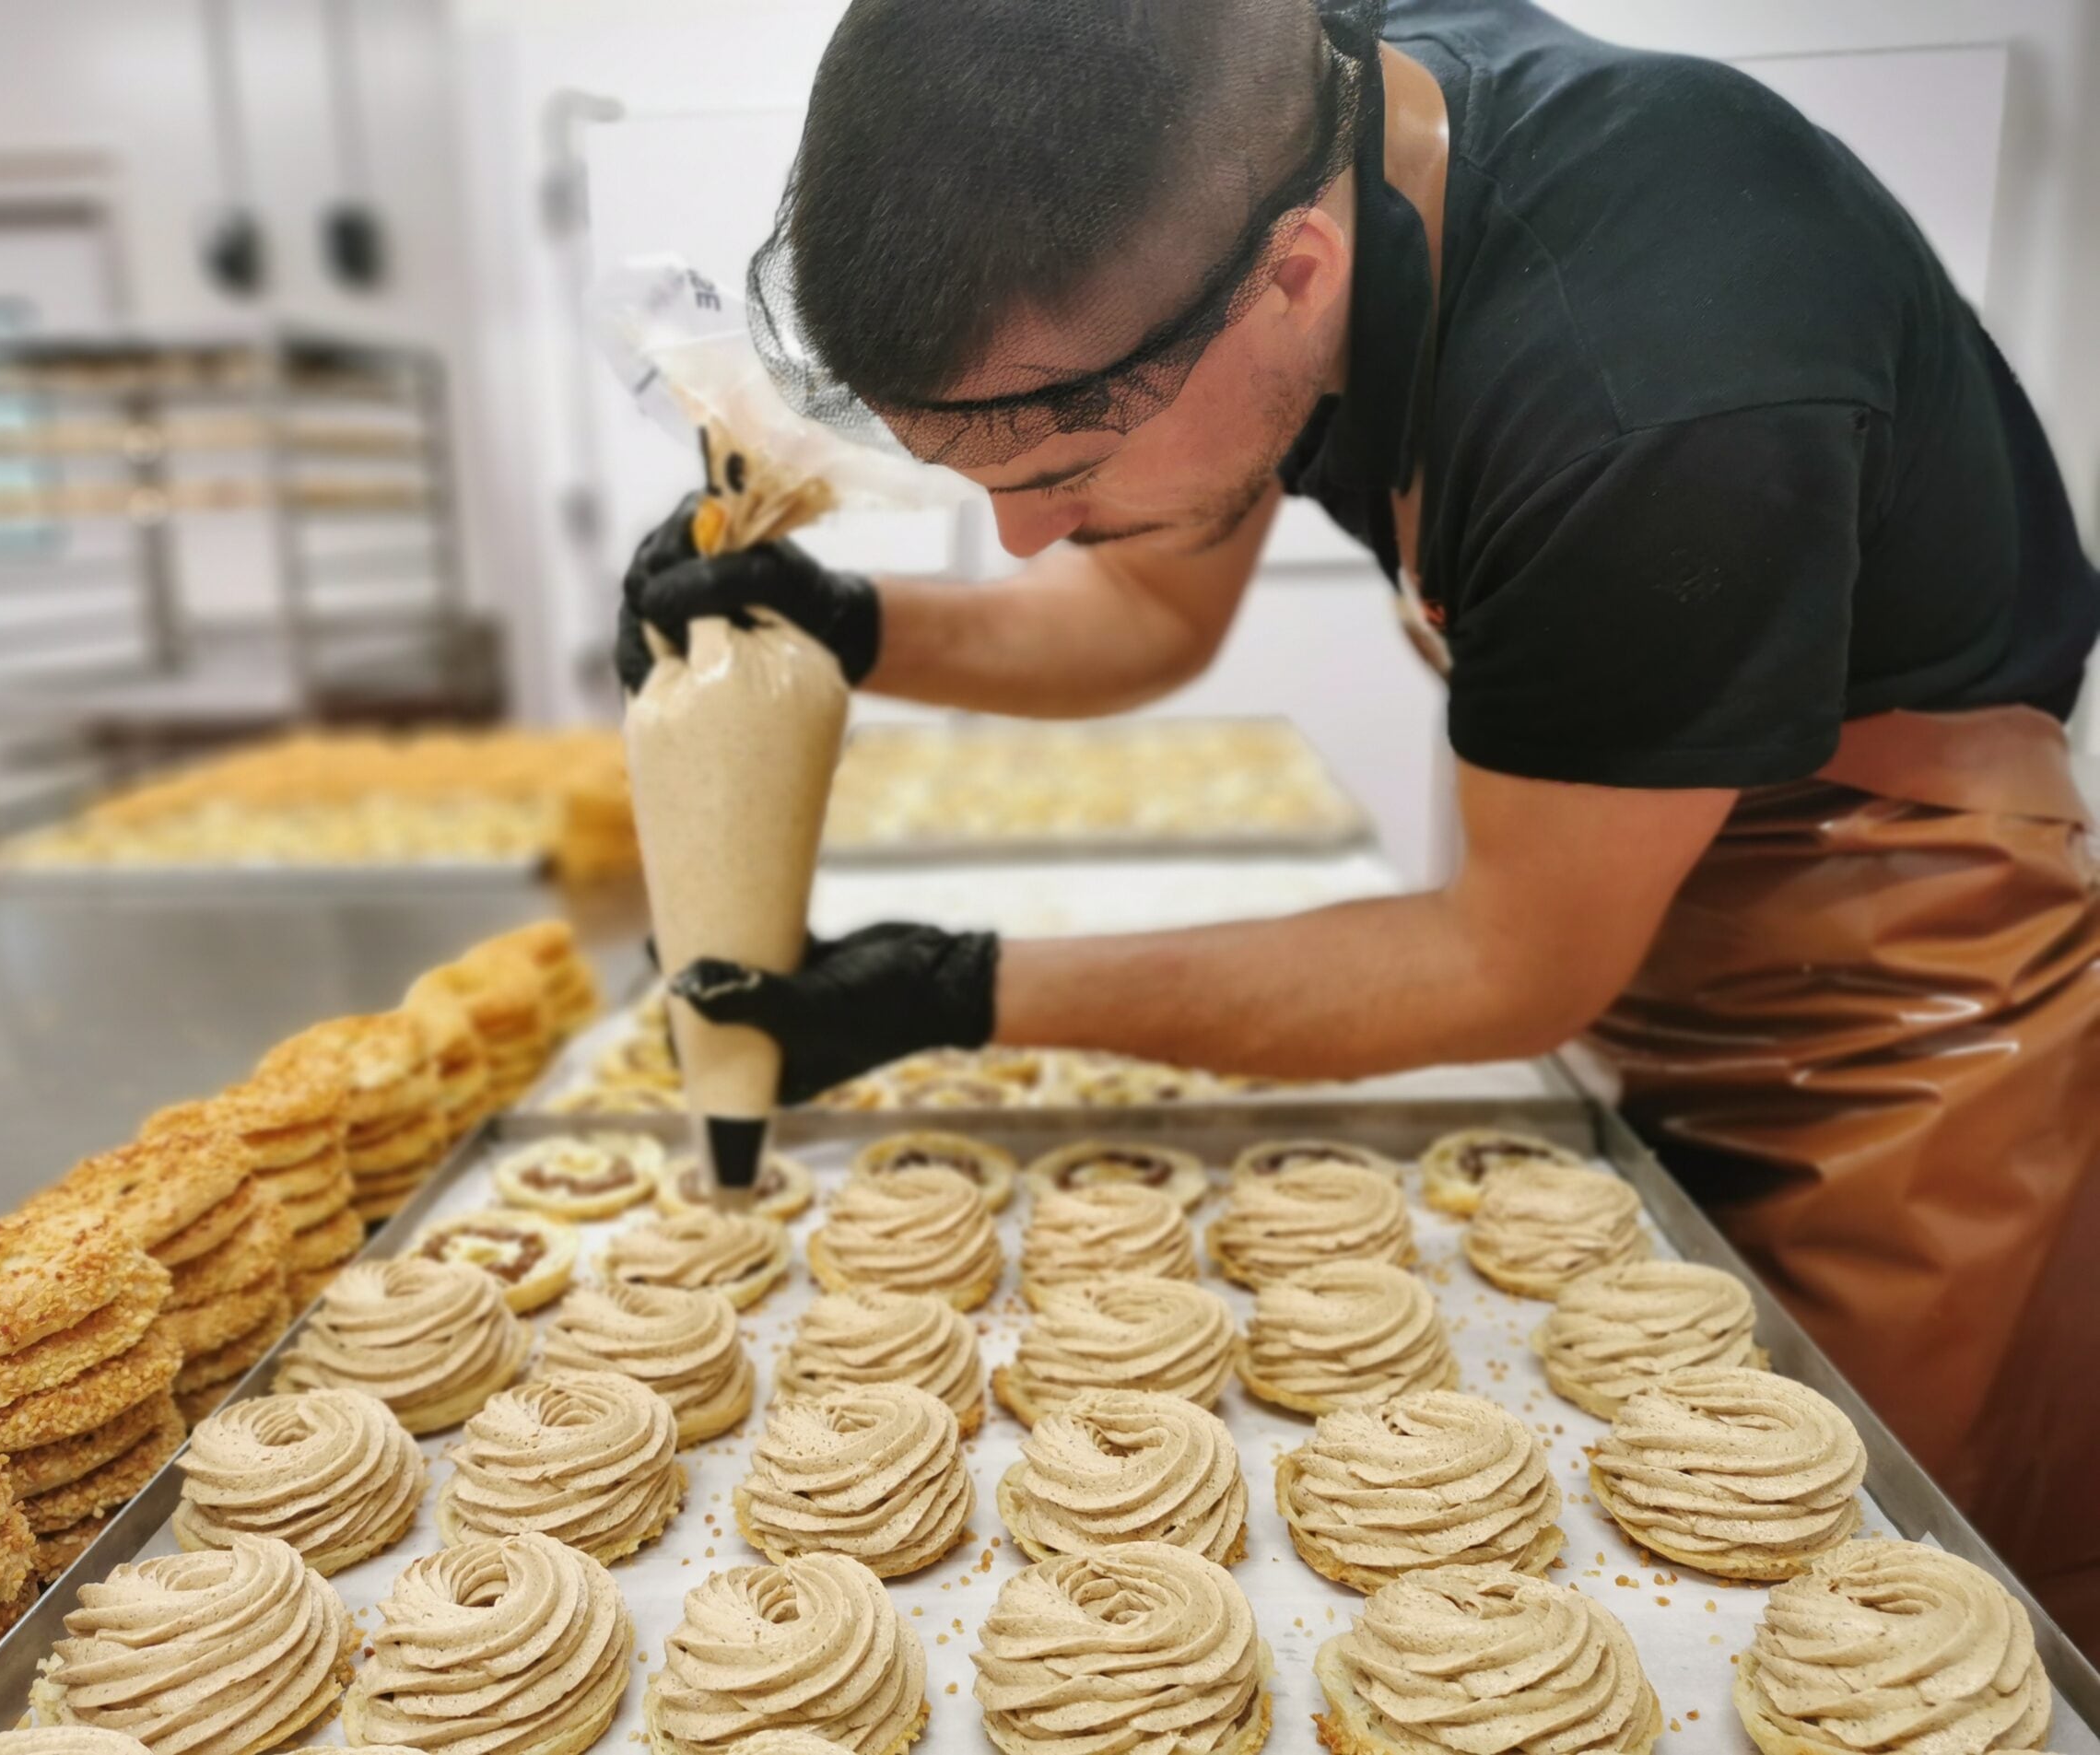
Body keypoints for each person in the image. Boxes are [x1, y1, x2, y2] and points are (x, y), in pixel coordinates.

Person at [616, 0, 2100, 1643]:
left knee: (1885, 1591)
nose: (1031, 544)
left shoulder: (1652, 384)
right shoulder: (1263, 136)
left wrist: (954, 988)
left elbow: (1506, 962)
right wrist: (831, 617)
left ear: (1296, 276)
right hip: (1626, 928)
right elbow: (1141, 621)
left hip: (1891, 1020)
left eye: (1069, 465)